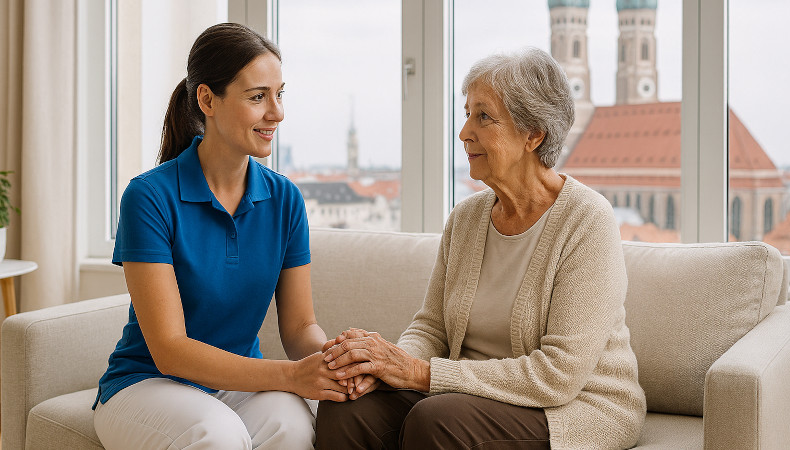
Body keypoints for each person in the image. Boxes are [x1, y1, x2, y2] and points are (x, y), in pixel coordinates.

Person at [315, 47, 647, 450]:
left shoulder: (587, 220)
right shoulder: (467, 218)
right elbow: (431, 327)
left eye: (483, 116)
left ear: (532, 135)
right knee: (346, 407)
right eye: (467, 112)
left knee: (436, 420)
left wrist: (421, 374)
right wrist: (387, 367)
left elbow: (558, 375)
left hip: (574, 408)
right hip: (465, 396)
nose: (464, 132)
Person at [93, 23, 348, 450]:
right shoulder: (149, 197)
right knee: (217, 434)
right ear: (207, 100)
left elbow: (301, 326)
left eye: (279, 94)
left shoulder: (284, 198)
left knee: (295, 427)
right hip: (146, 382)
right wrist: (290, 375)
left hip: (236, 381)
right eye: (257, 97)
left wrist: (333, 359)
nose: (277, 113)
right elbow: (171, 350)